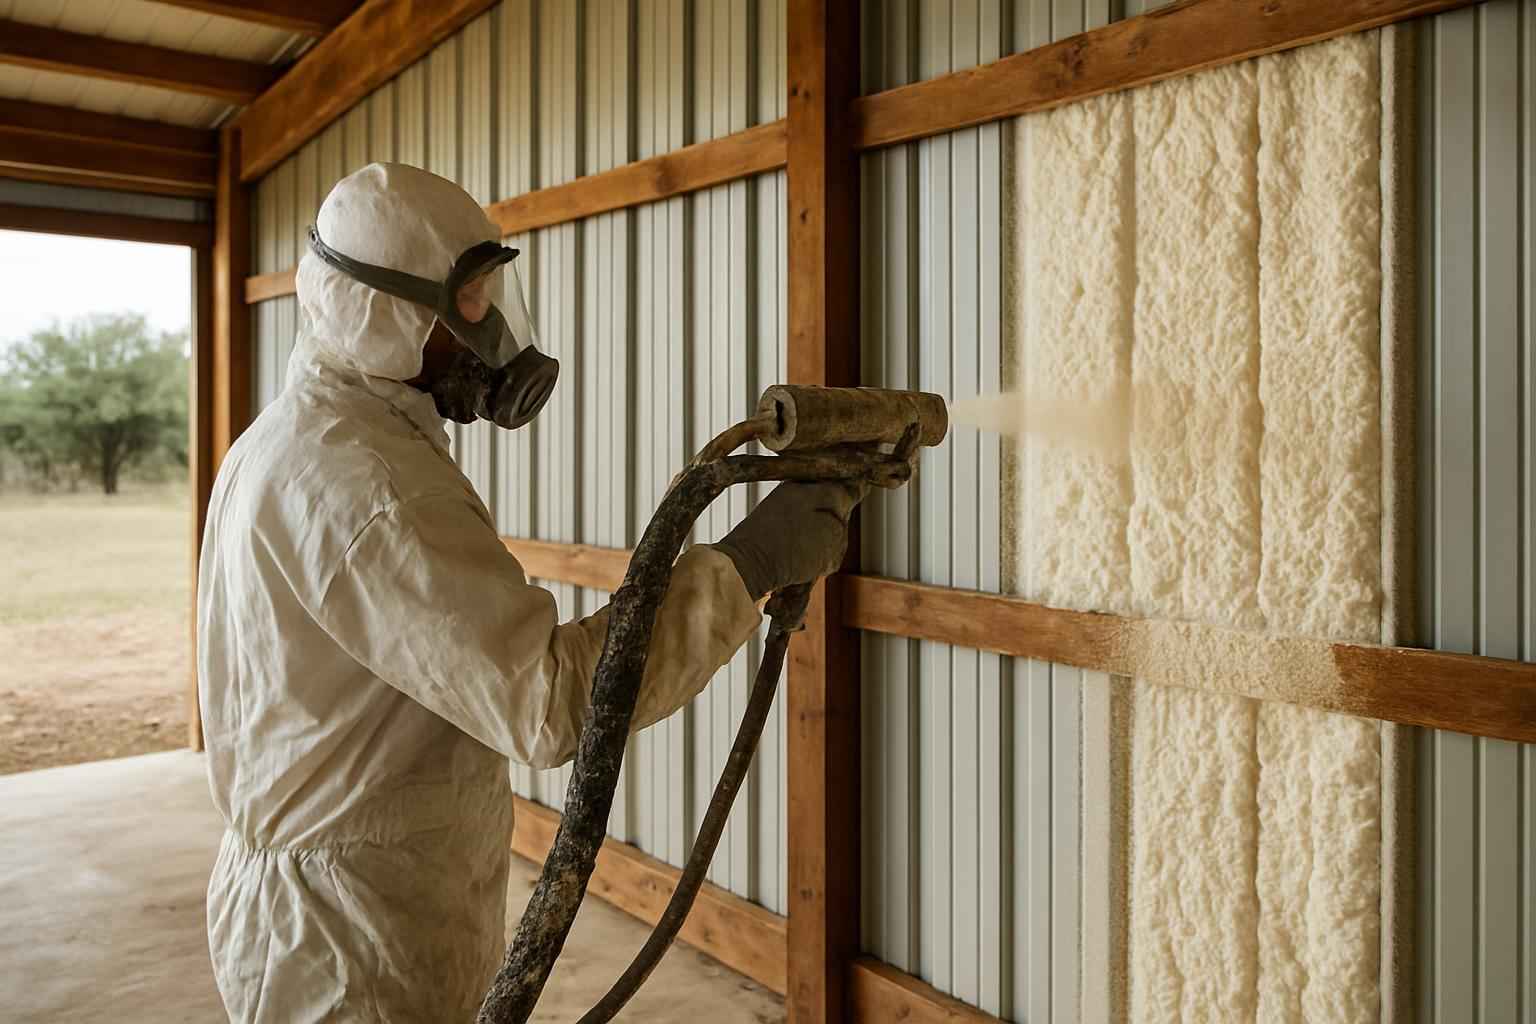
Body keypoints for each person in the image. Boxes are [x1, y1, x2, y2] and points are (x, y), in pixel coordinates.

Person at [197, 162, 859, 1022]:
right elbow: (545, 701)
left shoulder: (296, 439)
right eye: (469, 302)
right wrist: (747, 565)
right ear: (386, 313)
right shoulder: (367, 485)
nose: (494, 329)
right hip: (351, 943)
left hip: (339, 906)